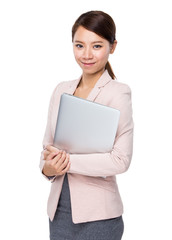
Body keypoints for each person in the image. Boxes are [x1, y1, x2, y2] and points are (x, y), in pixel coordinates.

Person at [39, 10, 134, 240]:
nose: (87, 54)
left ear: (113, 47)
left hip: (100, 218)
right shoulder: (61, 90)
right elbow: (46, 150)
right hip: (59, 213)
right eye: (79, 45)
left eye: (97, 46)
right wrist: (48, 169)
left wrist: (68, 161)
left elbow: (120, 160)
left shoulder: (118, 93)